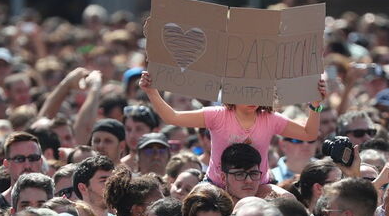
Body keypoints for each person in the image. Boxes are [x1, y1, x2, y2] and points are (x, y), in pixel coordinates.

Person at [139, 70, 326, 186]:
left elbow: (308, 134)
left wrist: (316, 104)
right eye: (248, 92)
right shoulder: (216, 115)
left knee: (288, 203)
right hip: (216, 187)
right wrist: (152, 92)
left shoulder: (270, 119)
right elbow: (173, 117)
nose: (254, 99)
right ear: (233, 91)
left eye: (259, 92)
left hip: (259, 187)